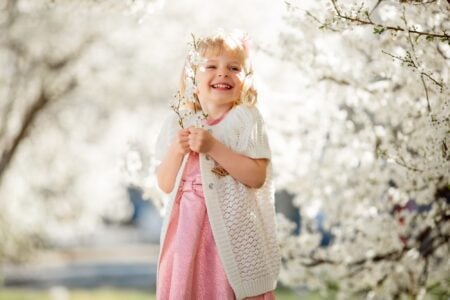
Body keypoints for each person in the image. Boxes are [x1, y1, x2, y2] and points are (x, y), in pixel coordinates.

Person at [154, 29, 281, 300]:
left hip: (231, 235)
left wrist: (213, 147)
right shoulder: (179, 121)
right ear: (192, 78)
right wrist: (177, 149)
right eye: (211, 66)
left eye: (234, 68)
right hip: (187, 234)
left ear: (245, 79)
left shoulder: (246, 119)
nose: (223, 73)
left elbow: (257, 177)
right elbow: (165, 183)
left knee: (224, 287)